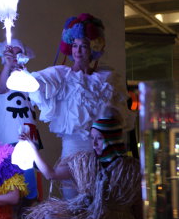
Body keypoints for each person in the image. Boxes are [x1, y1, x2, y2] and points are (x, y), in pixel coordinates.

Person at [29, 13, 133, 200]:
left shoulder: (106, 79)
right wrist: (17, 67)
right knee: (72, 203)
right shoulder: (60, 76)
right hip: (71, 153)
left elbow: (118, 117)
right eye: (75, 45)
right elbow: (34, 83)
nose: (78, 51)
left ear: (93, 48)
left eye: (83, 46)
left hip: (100, 154)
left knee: (97, 203)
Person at [0, 38, 42, 219]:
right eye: (12, 54)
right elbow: (1, 87)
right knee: (11, 194)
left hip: (28, 146)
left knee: (29, 196)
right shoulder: (3, 79)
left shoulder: (28, 83)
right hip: (7, 146)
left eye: (19, 54)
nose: (16, 58)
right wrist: (8, 67)